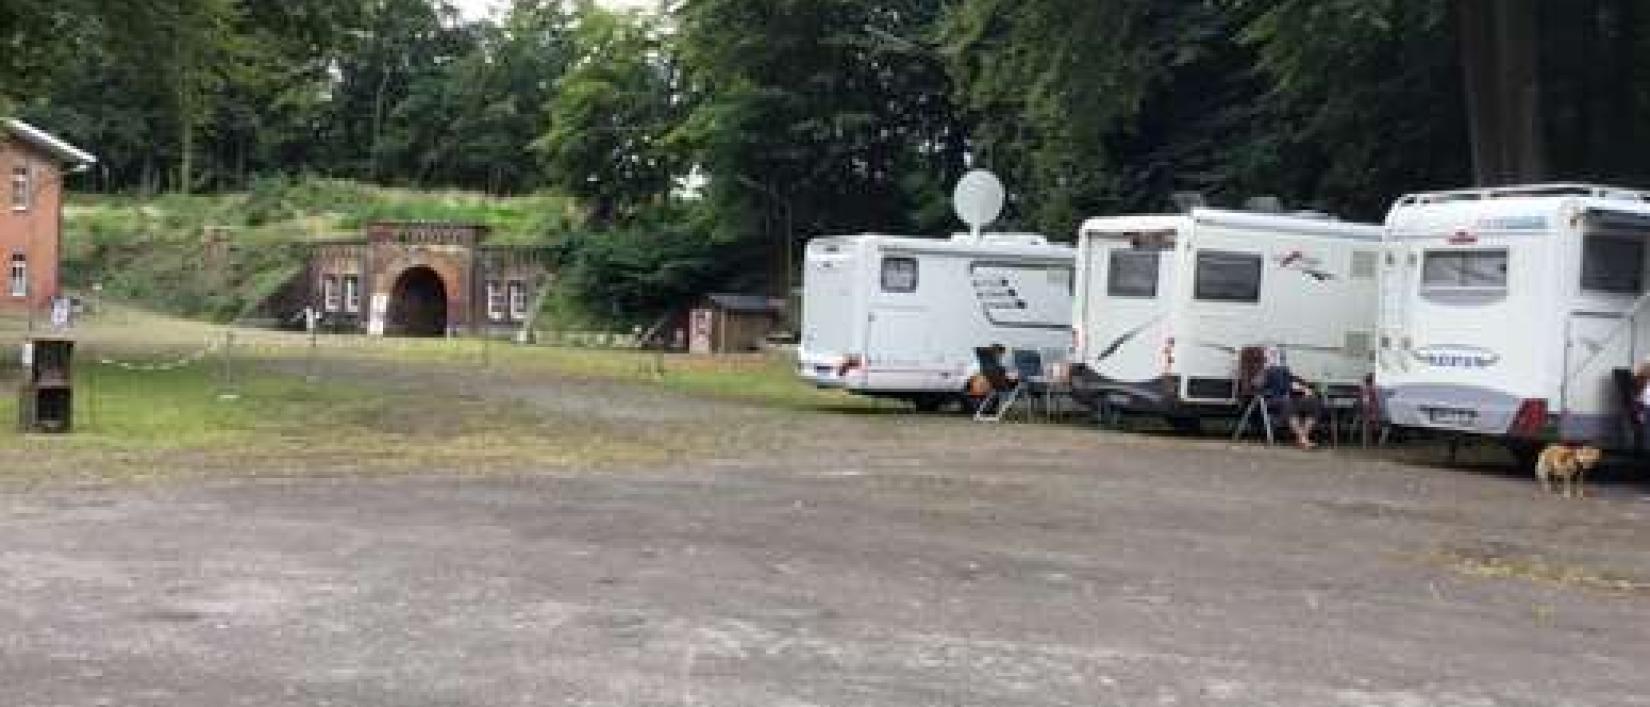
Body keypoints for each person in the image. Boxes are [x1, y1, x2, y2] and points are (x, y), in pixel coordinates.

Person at [1260, 348, 1322, 449]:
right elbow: (1257, 385)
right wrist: (1266, 371)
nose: (1274, 356)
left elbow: (1293, 380)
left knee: (1313, 401)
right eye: (1271, 354)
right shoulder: (1263, 371)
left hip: (1289, 398)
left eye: (1276, 354)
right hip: (1272, 399)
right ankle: (1303, 439)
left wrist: (1305, 388)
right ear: (1265, 356)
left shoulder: (1284, 370)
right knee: (1288, 403)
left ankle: (1302, 437)